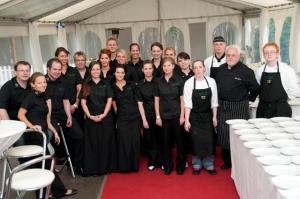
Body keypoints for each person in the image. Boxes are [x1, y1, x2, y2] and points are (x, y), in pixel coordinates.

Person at [17, 72, 77, 198]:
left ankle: (48, 192)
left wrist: (55, 132)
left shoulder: (43, 97)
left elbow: (47, 120)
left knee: (47, 165)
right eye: (39, 82)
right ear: (32, 84)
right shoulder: (30, 97)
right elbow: (20, 115)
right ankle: (57, 192)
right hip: (35, 137)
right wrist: (31, 126)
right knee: (47, 165)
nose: (43, 84)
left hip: (44, 135)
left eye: (44, 82)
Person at [215, 45, 259, 169]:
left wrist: (249, 100)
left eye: (233, 55)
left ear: (239, 56)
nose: (230, 57)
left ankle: (238, 162)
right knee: (224, 135)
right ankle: (227, 161)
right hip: (223, 106)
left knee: (239, 136)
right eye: (228, 55)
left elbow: (255, 88)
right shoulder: (221, 69)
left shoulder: (246, 71)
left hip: (239, 107)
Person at [45, 57, 84, 173]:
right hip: (49, 115)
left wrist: (68, 116)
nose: (57, 72)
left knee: (79, 135)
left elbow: (66, 100)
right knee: (51, 136)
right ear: (48, 69)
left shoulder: (64, 80)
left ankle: (77, 163)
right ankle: (50, 165)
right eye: (54, 69)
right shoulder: (42, 81)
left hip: (62, 113)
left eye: (59, 69)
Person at [80, 61, 116, 175]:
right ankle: (93, 169)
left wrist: (104, 115)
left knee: (105, 143)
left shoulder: (106, 84)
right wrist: (90, 116)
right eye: (93, 69)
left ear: (100, 70)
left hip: (105, 118)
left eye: (97, 69)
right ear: (90, 71)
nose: (95, 71)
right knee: (92, 144)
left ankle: (106, 168)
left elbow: (109, 100)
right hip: (91, 119)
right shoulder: (86, 84)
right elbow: (83, 102)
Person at [184, 60, 218, 175]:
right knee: (195, 140)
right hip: (194, 115)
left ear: (204, 68)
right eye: (195, 68)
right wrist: (187, 120)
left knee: (209, 140)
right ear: (192, 70)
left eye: (200, 67)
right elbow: (187, 103)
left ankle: (209, 163)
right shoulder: (189, 83)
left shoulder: (211, 82)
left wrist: (214, 117)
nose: (198, 70)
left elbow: (214, 101)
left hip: (207, 115)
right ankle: (196, 163)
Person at [154, 57, 186, 175]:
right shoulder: (158, 81)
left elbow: (182, 100)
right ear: (162, 67)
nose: (166, 68)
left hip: (177, 116)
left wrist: (182, 116)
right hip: (164, 117)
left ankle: (181, 165)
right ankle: (167, 165)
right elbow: (156, 100)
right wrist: (158, 116)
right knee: (165, 143)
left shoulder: (179, 80)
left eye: (169, 65)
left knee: (180, 142)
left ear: (173, 66)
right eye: (164, 66)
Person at [255, 42, 299, 118]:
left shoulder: (287, 70)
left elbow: (294, 90)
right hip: (263, 109)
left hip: (281, 109)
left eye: (272, 52)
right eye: (266, 52)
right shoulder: (259, 71)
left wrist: (281, 101)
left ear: (277, 54)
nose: (269, 54)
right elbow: (258, 88)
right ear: (264, 55)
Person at [112, 65, 141, 172]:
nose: (120, 74)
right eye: (118, 72)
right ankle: (124, 167)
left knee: (134, 141)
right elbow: (113, 102)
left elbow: (139, 102)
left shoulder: (132, 85)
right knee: (123, 141)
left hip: (134, 117)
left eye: (122, 72)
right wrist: (116, 113)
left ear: (125, 74)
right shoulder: (112, 87)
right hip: (122, 118)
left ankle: (134, 166)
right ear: (114, 73)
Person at [137, 60, 162, 171]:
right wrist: (144, 120)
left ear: (153, 69)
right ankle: (152, 161)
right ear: (142, 70)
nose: (147, 70)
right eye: (145, 68)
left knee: (162, 138)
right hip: (147, 115)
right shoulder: (140, 85)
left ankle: (162, 161)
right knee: (150, 139)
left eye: (149, 68)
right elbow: (140, 104)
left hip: (161, 114)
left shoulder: (159, 81)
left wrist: (160, 116)